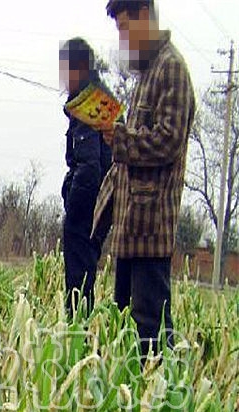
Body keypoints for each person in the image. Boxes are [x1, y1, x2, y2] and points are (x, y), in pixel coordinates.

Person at [93, 0, 195, 358]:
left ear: (144, 17)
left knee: (148, 328)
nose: (122, 38)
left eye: (124, 28)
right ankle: (130, 400)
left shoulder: (171, 70)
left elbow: (169, 141)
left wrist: (120, 138)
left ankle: (155, 404)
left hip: (151, 226)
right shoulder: (146, 75)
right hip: (130, 223)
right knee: (124, 324)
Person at [60, 38, 112, 318]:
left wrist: (73, 204)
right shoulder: (102, 98)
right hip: (101, 204)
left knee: (78, 285)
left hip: (87, 207)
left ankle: (77, 335)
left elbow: (91, 166)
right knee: (86, 279)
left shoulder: (90, 102)